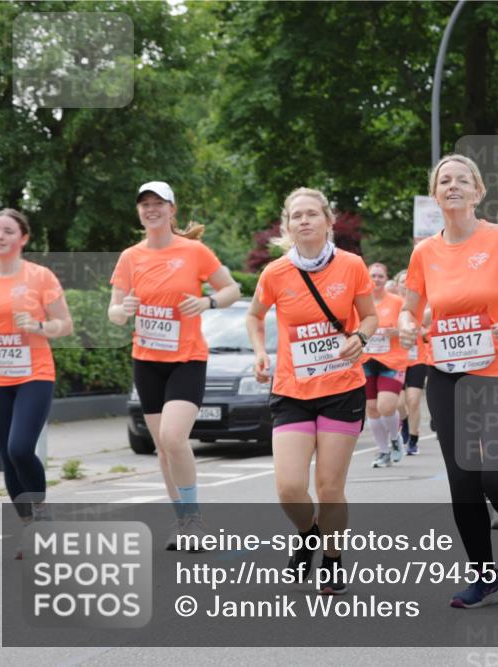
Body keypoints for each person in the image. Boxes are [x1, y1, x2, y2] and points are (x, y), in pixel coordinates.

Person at [399, 154, 498, 608]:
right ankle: (484, 576)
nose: (452, 186)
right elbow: (411, 307)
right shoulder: (425, 251)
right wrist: (410, 325)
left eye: (461, 180)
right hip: (447, 374)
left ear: (478, 191)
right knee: (464, 480)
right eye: (444, 180)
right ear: (435, 194)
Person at [245, 186, 377, 593]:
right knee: (288, 487)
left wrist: (360, 336)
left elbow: (370, 317)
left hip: (341, 388)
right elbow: (254, 315)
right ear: (287, 226)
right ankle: (309, 532)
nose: (304, 221)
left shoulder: (352, 265)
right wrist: (259, 353)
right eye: (296, 216)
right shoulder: (276, 272)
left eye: (311, 214)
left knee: (329, 487)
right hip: (292, 390)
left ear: (327, 220)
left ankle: (333, 560)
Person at [109, 182, 240, 549]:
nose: (151, 210)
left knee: (173, 437)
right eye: (144, 204)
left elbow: (232, 290)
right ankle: (182, 522)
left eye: (158, 204)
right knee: (162, 447)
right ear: (139, 212)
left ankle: (195, 519)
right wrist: (124, 311)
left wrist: (208, 303)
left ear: (172, 209)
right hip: (147, 360)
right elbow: (115, 310)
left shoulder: (194, 251)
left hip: (187, 359)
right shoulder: (130, 257)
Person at [0, 209, 74, 553]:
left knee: (20, 447)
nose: (0, 236)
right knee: (6, 457)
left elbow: (64, 324)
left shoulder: (40, 276)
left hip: (34, 374)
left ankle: (41, 513)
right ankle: (29, 529)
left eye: (8, 231)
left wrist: (37, 326)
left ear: (23, 238)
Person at [363, 262, 410, 468]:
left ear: (386, 278)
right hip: (366, 360)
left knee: (386, 405)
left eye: (380, 276)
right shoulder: (360, 302)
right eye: (372, 275)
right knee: (372, 409)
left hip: (392, 360)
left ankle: (395, 438)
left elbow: (410, 324)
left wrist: (398, 332)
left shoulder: (397, 302)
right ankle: (383, 451)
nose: (376, 279)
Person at [395, 269, 430, 455]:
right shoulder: (391, 304)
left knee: (413, 400)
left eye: (407, 281)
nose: (405, 285)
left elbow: (429, 328)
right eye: (402, 282)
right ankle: (405, 422)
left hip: (417, 358)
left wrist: (424, 333)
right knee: (399, 402)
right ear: (397, 285)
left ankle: (414, 439)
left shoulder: (419, 306)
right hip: (396, 360)